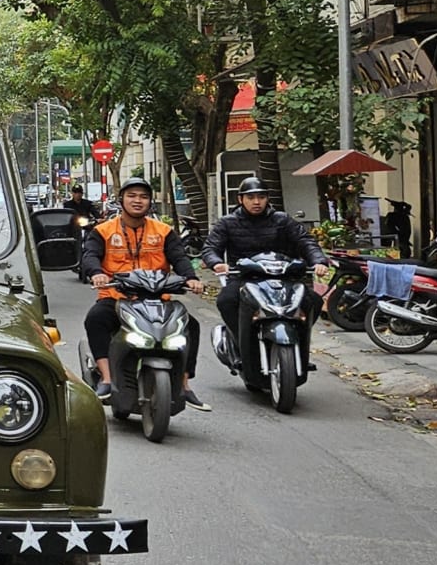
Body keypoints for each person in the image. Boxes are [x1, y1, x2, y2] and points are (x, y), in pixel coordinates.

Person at [79, 175, 206, 409]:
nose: (138, 201)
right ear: (122, 200)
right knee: (95, 319)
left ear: (150, 202)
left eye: (144, 197)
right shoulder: (103, 230)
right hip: (117, 298)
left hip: (157, 300)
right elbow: (90, 255)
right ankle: (107, 379)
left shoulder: (164, 231)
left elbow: (179, 257)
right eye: (132, 196)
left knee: (191, 325)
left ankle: (185, 384)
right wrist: (97, 273)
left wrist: (191, 278)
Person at [201, 176, 329, 377]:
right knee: (226, 301)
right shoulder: (228, 222)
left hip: (282, 277)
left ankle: (300, 342)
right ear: (240, 199)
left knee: (313, 300)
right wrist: (216, 263)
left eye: (261, 197)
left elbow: (305, 241)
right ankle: (240, 343)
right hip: (244, 278)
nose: (256, 201)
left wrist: (319, 261)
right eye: (251, 197)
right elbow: (210, 248)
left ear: (267, 199)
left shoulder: (282, 220)